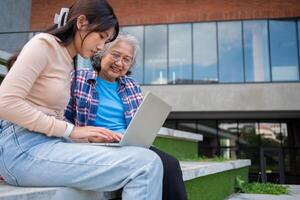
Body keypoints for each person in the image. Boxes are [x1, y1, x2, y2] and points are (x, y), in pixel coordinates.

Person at [0, 1, 163, 199]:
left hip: (49, 144)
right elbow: (5, 103)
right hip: (22, 149)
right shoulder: (44, 44)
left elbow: (51, 118)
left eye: (107, 40)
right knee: (145, 164)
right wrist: (72, 131)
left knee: (148, 159)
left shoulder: (68, 61)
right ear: (82, 23)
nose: (101, 46)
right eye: (101, 37)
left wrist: (86, 137)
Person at [64, 32, 188, 200]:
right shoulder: (78, 78)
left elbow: (138, 121)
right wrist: (86, 136)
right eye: (115, 55)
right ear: (101, 54)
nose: (119, 63)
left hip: (128, 144)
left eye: (126, 59)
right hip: (95, 146)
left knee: (171, 164)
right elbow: (63, 117)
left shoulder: (132, 85)